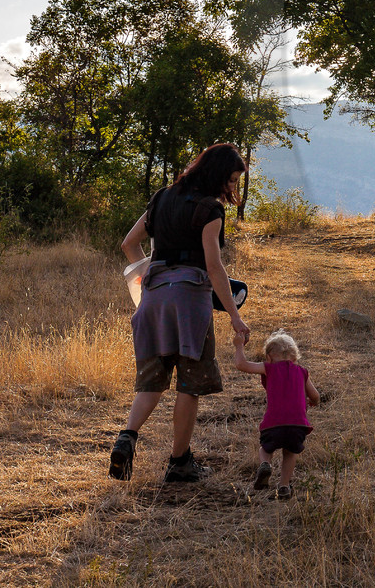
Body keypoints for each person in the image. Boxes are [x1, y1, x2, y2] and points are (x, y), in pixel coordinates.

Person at [108, 143, 250, 483]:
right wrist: (234, 315)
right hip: (190, 304)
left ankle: (126, 437)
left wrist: (150, 274)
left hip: (153, 299)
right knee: (190, 384)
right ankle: (179, 462)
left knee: (152, 381)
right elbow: (214, 268)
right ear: (217, 175)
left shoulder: (162, 198)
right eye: (231, 180)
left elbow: (128, 244)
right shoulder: (210, 210)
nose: (232, 188)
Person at [232, 328, 319, 500]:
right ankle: (284, 486)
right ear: (294, 358)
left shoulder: (269, 368)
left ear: (269, 358)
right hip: (298, 424)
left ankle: (265, 464)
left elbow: (241, 365)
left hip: (274, 423)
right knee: (290, 452)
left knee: (266, 448)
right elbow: (315, 395)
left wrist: (239, 346)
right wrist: (313, 402)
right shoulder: (302, 372)